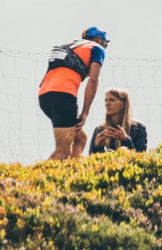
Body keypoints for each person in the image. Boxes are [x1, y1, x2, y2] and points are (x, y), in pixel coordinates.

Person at [39, 27, 108, 160]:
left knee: (80, 139)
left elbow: (43, 81)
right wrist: (85, 112)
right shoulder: (96, 48)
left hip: (44, 95)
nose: (104, 47)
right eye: (105, 44)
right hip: (63, 96)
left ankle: (71, 174)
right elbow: (93, 80)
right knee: (63, 151)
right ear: (99, 39)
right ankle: (35, 180)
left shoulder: (66, 48)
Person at [88, 88, 148, 154]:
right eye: (106, 100)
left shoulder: (138, 128)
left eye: (112, 100)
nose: (107, 104)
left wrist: (126, 140)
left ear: (123, 104)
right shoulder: (100, 130)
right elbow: (92, 160)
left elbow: (141, 156)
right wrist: (96, 147)